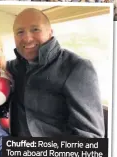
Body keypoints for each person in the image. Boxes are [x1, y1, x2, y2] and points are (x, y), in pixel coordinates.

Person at [7, 8, 105, 138]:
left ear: (50, 32)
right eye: (20, 32)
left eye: (35, 29)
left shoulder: (76, 68)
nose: (27, 38)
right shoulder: (11, 68)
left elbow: (89, 138)